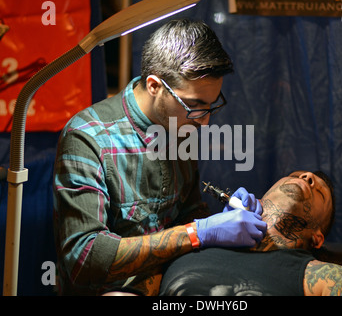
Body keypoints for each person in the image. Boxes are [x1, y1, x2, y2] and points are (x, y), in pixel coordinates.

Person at [52, 18, 266, 296]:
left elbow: (186, 211)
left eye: (212, 105)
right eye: (194, 106)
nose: (205, 122)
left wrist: (218, 220)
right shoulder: (88, 138)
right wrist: (197, 232)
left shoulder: (179, 125)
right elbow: (85, 259)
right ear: (154, 85)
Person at [159, 170, 342, 296]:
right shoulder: (192, 242)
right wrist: (195, 233)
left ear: (318, 238)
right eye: (295, 176)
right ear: (258, 198)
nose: (307, 176)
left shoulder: (329, 279)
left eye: (319, 191)